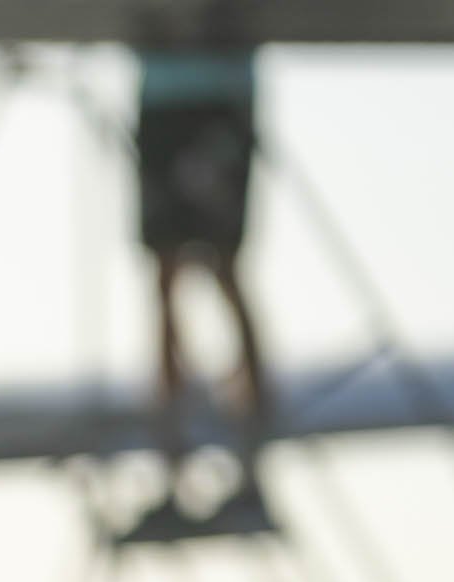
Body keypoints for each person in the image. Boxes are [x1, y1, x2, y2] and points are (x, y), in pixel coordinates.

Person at [127, 22, 274, 541]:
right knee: (172, 280)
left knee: (222, 274)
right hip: (173, 83)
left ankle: (252, 469)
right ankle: (175, 469)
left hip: (214, 82)